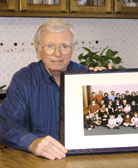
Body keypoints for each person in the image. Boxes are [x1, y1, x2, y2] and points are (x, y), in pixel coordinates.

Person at [0, 18, 108, 160]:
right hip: (40, 162)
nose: (58, 53)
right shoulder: (24, 80)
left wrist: (105, 82)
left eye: (64, 46)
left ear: (72, 48)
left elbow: (104, 122)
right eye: (50, 46)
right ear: (39, 48)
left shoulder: (85, 77)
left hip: (84, 160)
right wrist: (32, 143)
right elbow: (4, 124)